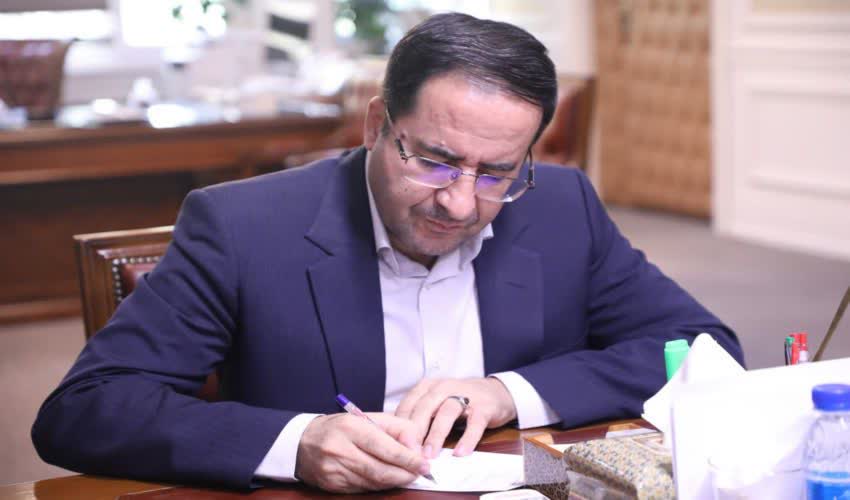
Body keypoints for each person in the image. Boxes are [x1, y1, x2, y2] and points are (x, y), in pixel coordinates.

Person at [32, 12, 744, 494]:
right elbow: (86, 409)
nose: (459, 203)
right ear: (377, 124)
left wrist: (508, 392)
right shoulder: (241, 226)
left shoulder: (561, 205)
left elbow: (702, 348)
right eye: (434, 160)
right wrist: (299, 443)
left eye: (496, 173)